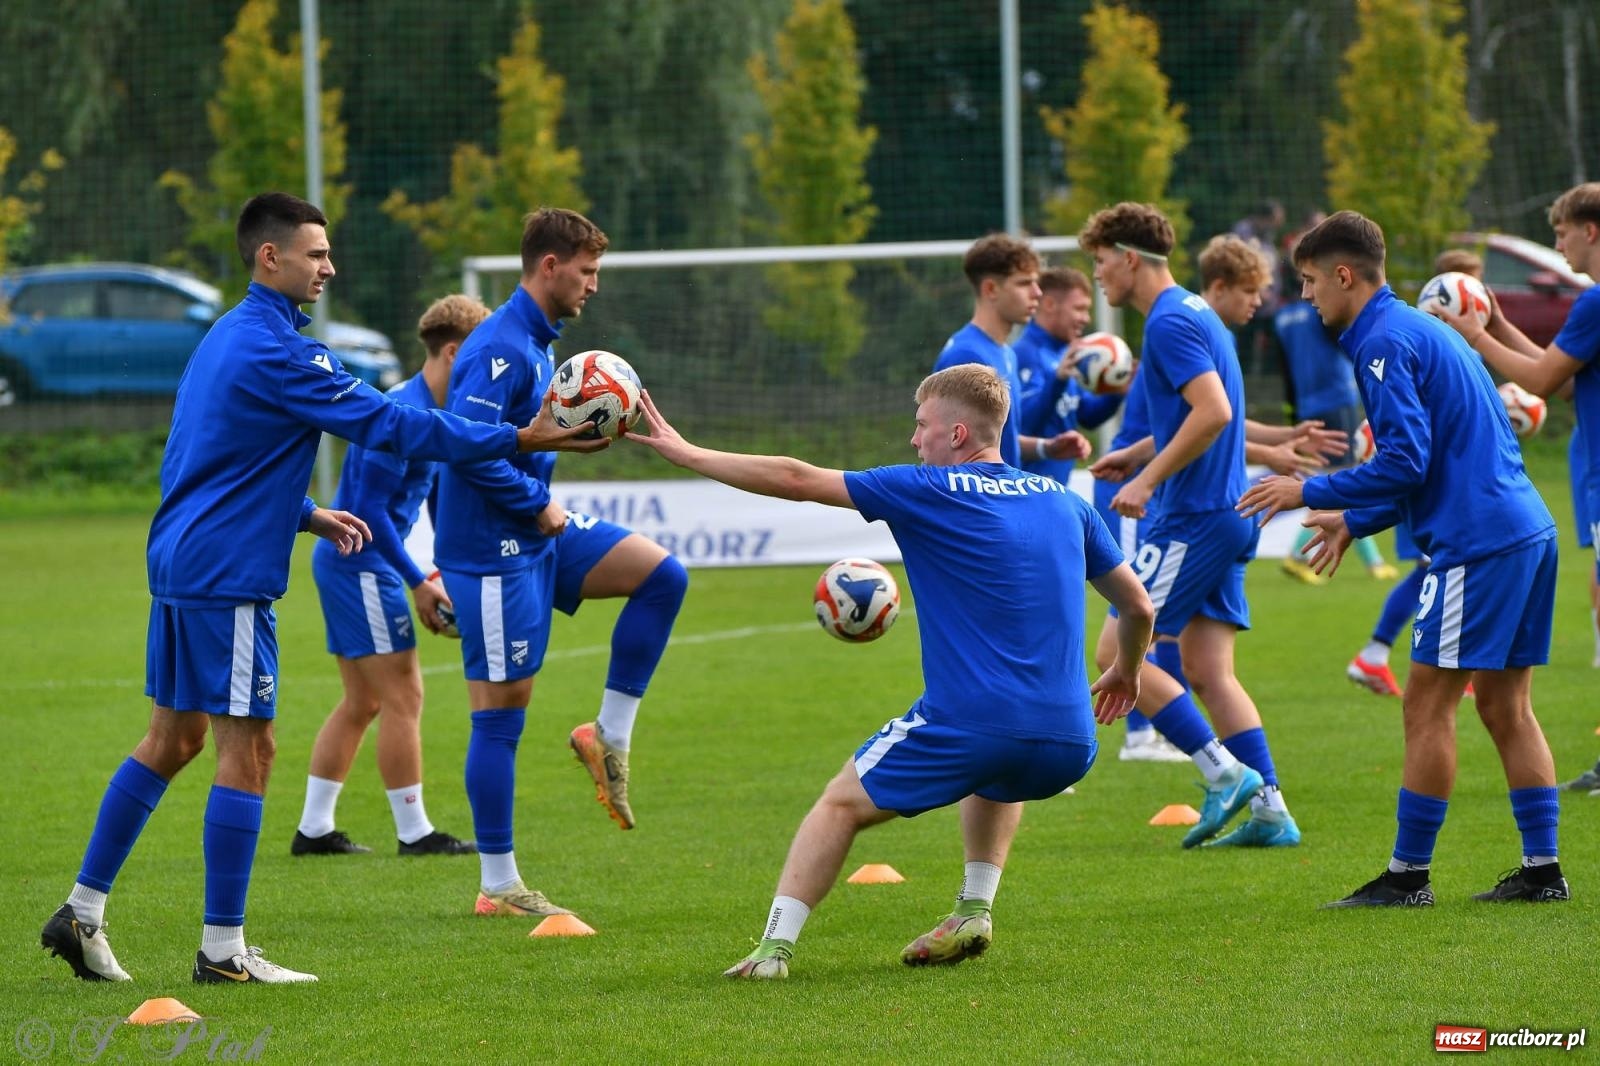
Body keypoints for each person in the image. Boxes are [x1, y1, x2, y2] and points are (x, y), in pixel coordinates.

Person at [38, 192, 605, 985]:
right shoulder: (281, 352)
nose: (329, 267)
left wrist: (305, 512)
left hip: (181, 558)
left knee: (174, 740)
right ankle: (224, 951)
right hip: (227, 574)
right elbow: (393, 424)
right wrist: (518, 434)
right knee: (251, 747)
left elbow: (208, 453)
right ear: (270, 257)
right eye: (315, 254)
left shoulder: (226, 338)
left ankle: (82, 912)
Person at [625, 364, 1155, 979]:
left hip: (972, 727)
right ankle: (974, 909)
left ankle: (773, 950)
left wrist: (688, 453)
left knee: (838, 806)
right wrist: (1125, 670)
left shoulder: (927, 489)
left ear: (957, 435)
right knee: (1000, 769)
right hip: (1069, 743)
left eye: (921, 424)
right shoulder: (1066, 501)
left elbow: (796, 478)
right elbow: (1137, 605)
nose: (913, 440)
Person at [1240, 209, 1567, 907]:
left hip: (1479, 544)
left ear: (1344, 275)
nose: (1306, 298)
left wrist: (1308, 488)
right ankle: (1543, 870)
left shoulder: (1382, 340)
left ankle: (1407, 877)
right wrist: (1355, 520)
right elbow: (1434, 463)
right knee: (1508, 707)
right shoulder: (1419, 329)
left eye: (1308, 282)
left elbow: (1405, 460)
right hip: (1527, 531)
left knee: (1426, 706)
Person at [433, 207, 689, 922]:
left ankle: (606, 734)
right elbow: (467, 447)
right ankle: (499, 883)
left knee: (661, 575)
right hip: (491, 551)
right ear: (550, 266)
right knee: (499, 719)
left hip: (535, 531)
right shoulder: (500, 347)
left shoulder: (541, 344)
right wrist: (534, 502)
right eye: (587, 271)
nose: (594, 285)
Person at [1081, 205, 1298, 850]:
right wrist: (1140, 454)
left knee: (1114, 652)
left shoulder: (1170, 321)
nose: (1097, 277)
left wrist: (1145, 483)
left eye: (1098, 262)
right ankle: (1270, 812)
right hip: (1230, 514)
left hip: (1193, 517)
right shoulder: (1195, 313)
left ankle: (1221, 772)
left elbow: (1215, 412)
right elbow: (1198, 416)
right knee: (1208, 669)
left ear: (1127, 258)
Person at [293, 294, 493, 859]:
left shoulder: (431, 413)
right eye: (477, 359)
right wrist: (418, 581)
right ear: (452, 353)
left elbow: (421, 502)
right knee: (405, 694)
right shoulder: (400, 412)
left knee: (363, 701)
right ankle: (416, 833)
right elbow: (374, 512)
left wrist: (436, 570)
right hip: (360, 564)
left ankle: (313, 830)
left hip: (353, 564)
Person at [1428, 184, 1600, 800]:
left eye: (1562, 234)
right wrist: (1498, 322)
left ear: (1592, 232)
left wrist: (1474, 335)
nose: (1557, 245)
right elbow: (1560, 378)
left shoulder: (1595, 301)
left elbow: (1540, 377)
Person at [1012, 267, 1179, 762]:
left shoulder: (1067, 355)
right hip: (1022, 511)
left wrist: (1114, 390)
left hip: (1054, 508)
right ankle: (1027, 741)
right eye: (1078, 309)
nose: (1085, 318)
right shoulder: (1027, 355)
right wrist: (1058, 379)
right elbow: (1018, 425)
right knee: (1036, 628)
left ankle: (1046, 741)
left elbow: (1082, 415)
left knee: (1057, 623)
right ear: (1048, 307)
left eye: (1088, 309)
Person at [1345, 249, 1485, 695]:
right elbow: (1408, 457)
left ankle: (1381, 655)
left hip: (1454, 500)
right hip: (1445, 504)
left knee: (1429, 574)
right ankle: (1381, 655)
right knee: (1432, 573)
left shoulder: (1412, 338)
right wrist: (1321, 497)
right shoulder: (1402, 340)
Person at [1276, 248, 1397, 586]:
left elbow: (1285, 370)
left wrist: (1293, 412)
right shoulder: (1322, 311)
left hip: (1306, 406)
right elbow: (1348, 341)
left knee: (1339, 479)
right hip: (1338, 399)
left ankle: (1373, 562)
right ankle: (1299, 554)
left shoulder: (1282, 319)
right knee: (1342, 482)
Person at [933, 233, 1092, 470]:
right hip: (977, 505)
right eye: (1024, 283)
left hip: (1000, 502)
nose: (1037, 293)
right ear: (991, 289)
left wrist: (1046, 448)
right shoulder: (967, 356)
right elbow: (944, 449)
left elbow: (997, 442)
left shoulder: (1006, 353)